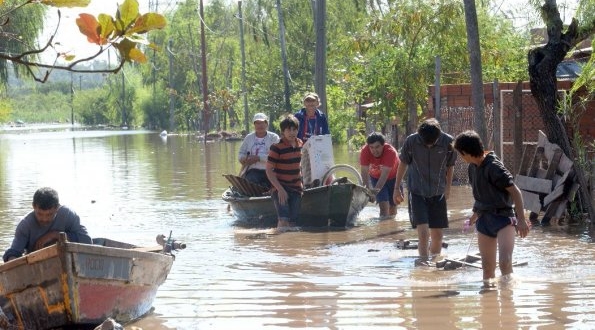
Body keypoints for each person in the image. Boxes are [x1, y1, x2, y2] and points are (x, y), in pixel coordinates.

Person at [453, 130, 530, 284]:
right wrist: (473, 217)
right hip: (484, 221)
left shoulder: (494, 167)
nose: (461, 158)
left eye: (461, 154)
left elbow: (516, 192)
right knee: (487, 267)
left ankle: (508, 300)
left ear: (467, 152)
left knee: (505, 262)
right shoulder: (472, 168)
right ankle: (488, 301)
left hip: (503, 219)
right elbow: (481, 196)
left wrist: (521, 220)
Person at [394, 118, 457, 265]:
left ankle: (435, 262)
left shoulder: (448, 142)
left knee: (438, 235)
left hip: (438, 192)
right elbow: (403, 163)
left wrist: (448, 188)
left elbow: (450, 166)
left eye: (432, 143)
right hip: (417, 192)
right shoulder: (411, 141)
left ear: (439, 135)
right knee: (423, 233)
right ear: (419, 135)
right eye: (425, 143)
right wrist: (396, 188)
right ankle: (423, 263)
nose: (429, 146)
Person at [3, 187, 93, 262]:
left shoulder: (68, 215)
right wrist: (12, 261)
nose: (44, 219)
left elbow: (87, 241)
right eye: (40, 214)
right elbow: (13, 252)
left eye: (49, 214)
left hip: (70, 261)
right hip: (38, 267)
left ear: (57, 208)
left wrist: (55, 235)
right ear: (33, 206)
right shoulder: (25, 225)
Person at [266, 115, 303, 230]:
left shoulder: (300, 144)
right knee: (283, 221)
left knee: (292, 223)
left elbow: (300, 165)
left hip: (296, 188)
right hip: (281, 187)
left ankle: (290, 246)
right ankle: (280, 245)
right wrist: (280, 190)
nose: (292, 133)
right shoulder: (276, 147)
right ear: (283, 132)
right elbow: (268, 170)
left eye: (294, 129)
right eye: (288, 130)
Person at [359, 132, 400, 219]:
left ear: (383, 145)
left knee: (393, 206)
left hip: (394, 177)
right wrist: (367, 191)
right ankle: (382, 227)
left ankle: (392, 226)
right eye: (371, 147)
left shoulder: (390, 152)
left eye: (377, 147)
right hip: (376, 177)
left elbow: (384, 175)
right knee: (383, 206)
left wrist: (374, 193)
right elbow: (364, 172)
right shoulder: (365, 151)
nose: (374, 150)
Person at [238, 113, 280, 188]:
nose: (259, 125)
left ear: (266, 124)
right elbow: (241, 153)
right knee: (250, 183)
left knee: (271, 184)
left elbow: (276, 156)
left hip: (271, 171)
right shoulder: (249, 138)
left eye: (262, 123)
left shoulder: (274, 137)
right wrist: (243, 159)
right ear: (254, 125)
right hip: (253, 171)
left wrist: (258, 158)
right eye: (257, 123)